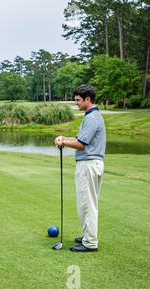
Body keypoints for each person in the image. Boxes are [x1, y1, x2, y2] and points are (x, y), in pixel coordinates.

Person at [54, 84, 106, 252]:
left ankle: (90, 242)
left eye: (78, 100)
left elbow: (80, 144)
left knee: (87, 204)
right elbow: (79, 138)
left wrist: (64, 142)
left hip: (89, 165)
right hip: (91, 164)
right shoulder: (91, 115)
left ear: (87, 99)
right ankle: (87, 235)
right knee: (86, 203)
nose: (76, 103)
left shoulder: (92, 118)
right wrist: (63, 138)